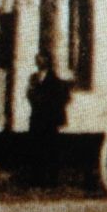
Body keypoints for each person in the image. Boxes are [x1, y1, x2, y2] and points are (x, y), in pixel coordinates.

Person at [25, 52, 71, 187]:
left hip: (49, 120)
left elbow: (62, 98)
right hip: (36, 118)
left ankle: (51, 180)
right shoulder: (33, 78)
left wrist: (47, 102)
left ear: (47, 61)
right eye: (37, 60)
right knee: (36, 149)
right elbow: (29, 93)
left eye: (41, 60)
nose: (38, 62)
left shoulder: (55, 79)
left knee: (50, 150)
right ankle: (36, 178)